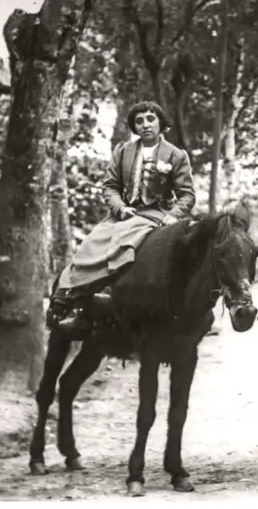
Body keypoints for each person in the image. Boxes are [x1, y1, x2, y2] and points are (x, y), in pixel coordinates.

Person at [49, 100, 196, 338]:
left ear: (161, 123)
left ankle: (118, 293)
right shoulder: (123, 151)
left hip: (156, 214)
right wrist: (119, 208)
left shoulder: (176, 155)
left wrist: (173, 216)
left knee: (127, 239)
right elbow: (110, 186)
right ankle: (71, 300)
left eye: (150, 119)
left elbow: (187, 195)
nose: (145, 125)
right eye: (139, 121)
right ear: (133, 127)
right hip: (124, 213)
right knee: (91, 243)